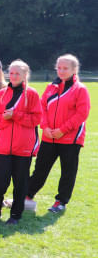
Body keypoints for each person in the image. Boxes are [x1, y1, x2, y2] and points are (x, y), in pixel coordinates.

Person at [27, 54, 90, 213]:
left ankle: (60, 202)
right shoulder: (50, 87)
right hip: (49, 137)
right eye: (59, 68)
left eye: (65, 68)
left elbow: (82, 114)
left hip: (70, 139)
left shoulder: (80, 89)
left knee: (68, 172)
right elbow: (42, 109)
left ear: (74, 70)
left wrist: (63, 130)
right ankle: (26, 195)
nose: (61, 71)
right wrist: (45, 127)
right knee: (40, 168)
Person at [0, 60, 42, 225]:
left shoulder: (32, 94)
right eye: (12, 73)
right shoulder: (2, 93)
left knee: (20, 183)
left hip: (23, 147)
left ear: (24, 75)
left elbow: (37, 118)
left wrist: (16, 115)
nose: (14, 76)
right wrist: (5, 120)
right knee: (0, 180)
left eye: (18, 73)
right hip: (3, 146)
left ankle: (15, 215)